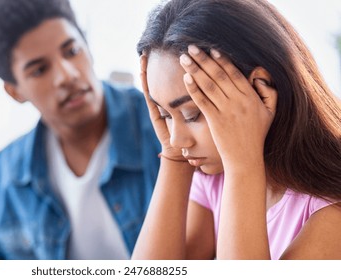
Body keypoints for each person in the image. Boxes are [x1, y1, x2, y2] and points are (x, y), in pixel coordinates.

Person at [0, 0, 160, 260]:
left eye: (71, 51)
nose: (66, 75)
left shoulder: (165, 125)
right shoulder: (5, 177)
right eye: (40, 69)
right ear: (15, 91)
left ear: (87, 45)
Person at [132, 0, 341, 260]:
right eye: (165, 115)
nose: (177, 138)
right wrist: (173, 159)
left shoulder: (331, 212)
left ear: (260, 89)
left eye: (192, 114)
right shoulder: (213, 178)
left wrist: (243, 164)